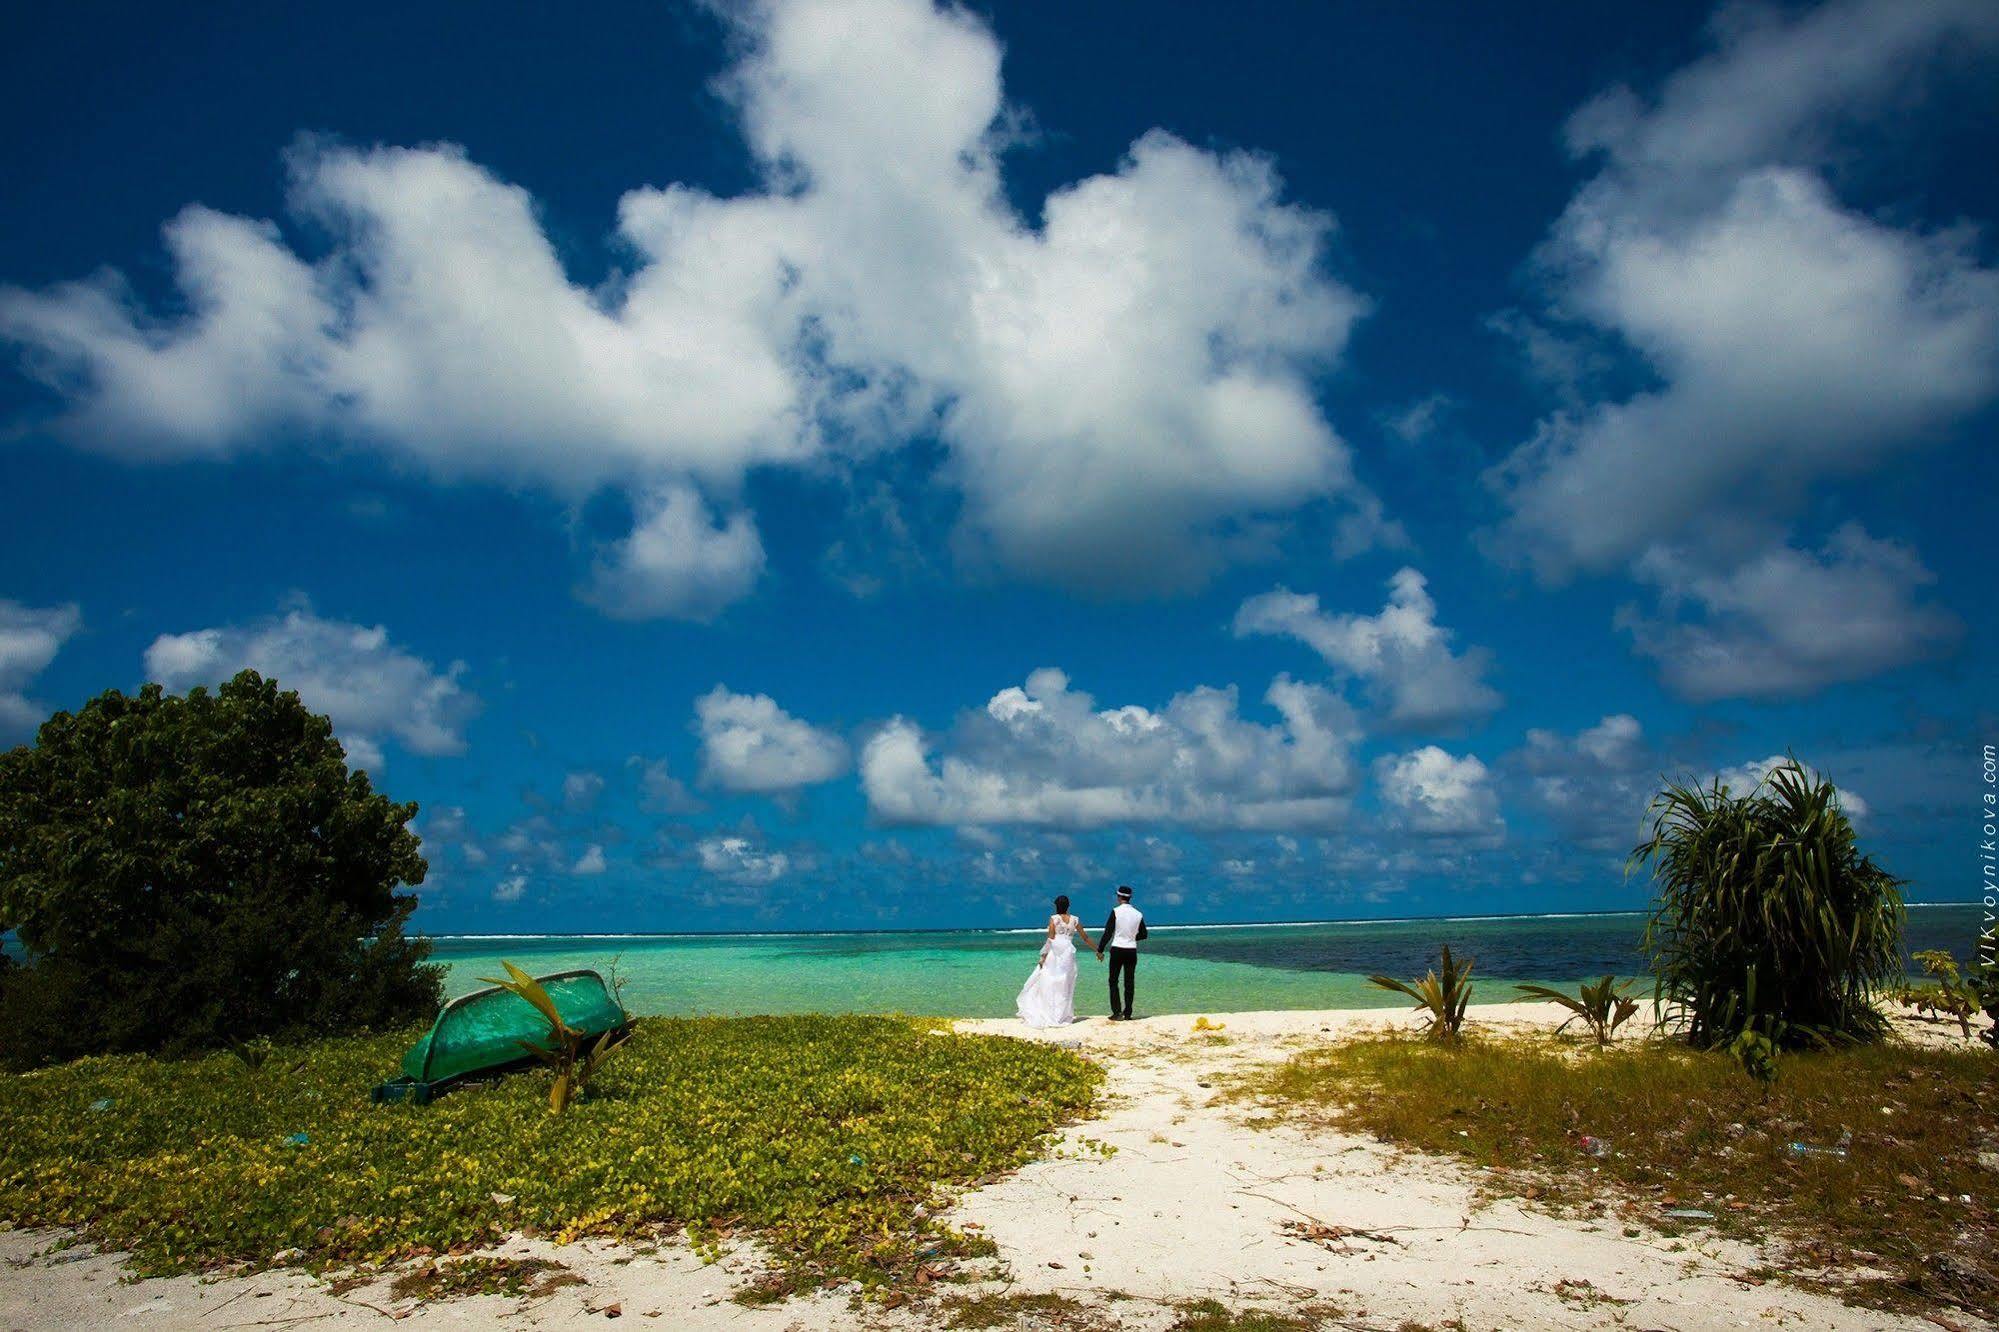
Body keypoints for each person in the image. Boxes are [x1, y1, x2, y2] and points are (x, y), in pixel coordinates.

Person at [1015, 893, 1099, 1028]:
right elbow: (1085, 937)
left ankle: (1051, 1013)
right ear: (1068, 906)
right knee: (1066, 983)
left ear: (1056, 906)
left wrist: (1042, 957)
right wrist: (1098, 950)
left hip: (1055, 953)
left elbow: (1050, 939)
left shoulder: (1054, 919)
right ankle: (1062, 1015)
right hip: (1068, 953)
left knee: (1050, 982)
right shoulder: (1075, 920)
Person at [1096, 884, 1147, 1020]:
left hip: (1117, 949)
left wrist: (1100, 950)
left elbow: (1108, 933)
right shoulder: (1138, 914)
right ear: (1130, 898)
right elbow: (1144, 934)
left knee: (1113, 981)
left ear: (1119, 897)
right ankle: (1128, 1013)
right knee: (1129, 982)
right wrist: (1131, 937)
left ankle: (1117, 1012)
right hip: (1131, 950)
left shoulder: (1115, 911)